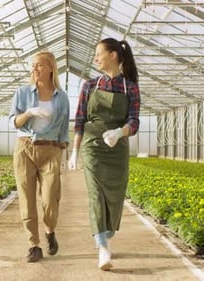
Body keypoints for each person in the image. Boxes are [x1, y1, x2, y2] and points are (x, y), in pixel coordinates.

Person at [67, 38, 140, 270]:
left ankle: (107, 234)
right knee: (96, 194)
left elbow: (134, 121)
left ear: (113, 56)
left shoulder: (130, 87)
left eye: (99, 53)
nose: (95, 58)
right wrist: (75, 151)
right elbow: (80, 119)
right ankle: (102, 247)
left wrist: (120, 132)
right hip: (93, 146)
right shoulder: (90, 85)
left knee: (115, 196)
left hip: (116, 147)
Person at [8, 50, 70, 263]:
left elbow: (63, 129)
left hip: (51, 149)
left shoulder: (61, 97)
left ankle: (50, 230)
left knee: (51, 197)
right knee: (26, 197)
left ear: (51, 68)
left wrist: (66, 153)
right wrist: (29, 113)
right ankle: (34, 244)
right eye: (33, 65)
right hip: (25, 147)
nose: (35, 69)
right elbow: (13, 122)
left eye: (39, 65)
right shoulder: (23, 93)